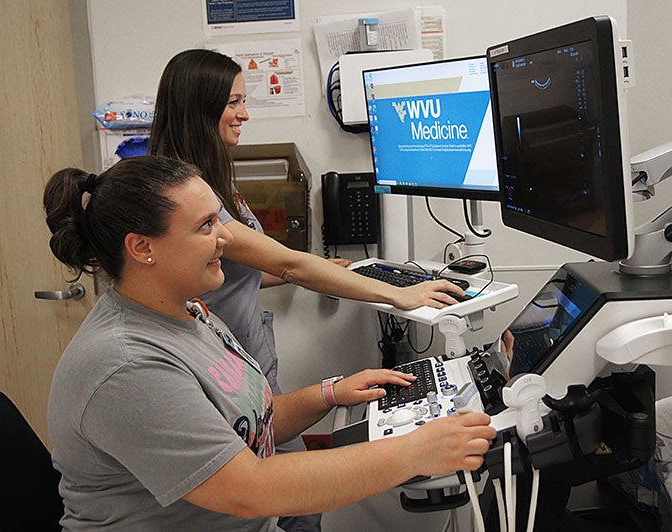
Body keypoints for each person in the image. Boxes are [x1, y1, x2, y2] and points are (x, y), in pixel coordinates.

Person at [43, 156, 496, 531]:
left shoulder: (191, 313)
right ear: (143, 247)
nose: (226, 237)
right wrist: (413, 451)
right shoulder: (127, 367)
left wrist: (330, 393)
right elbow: (249, 487)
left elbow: (248, 426)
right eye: (205, 226)